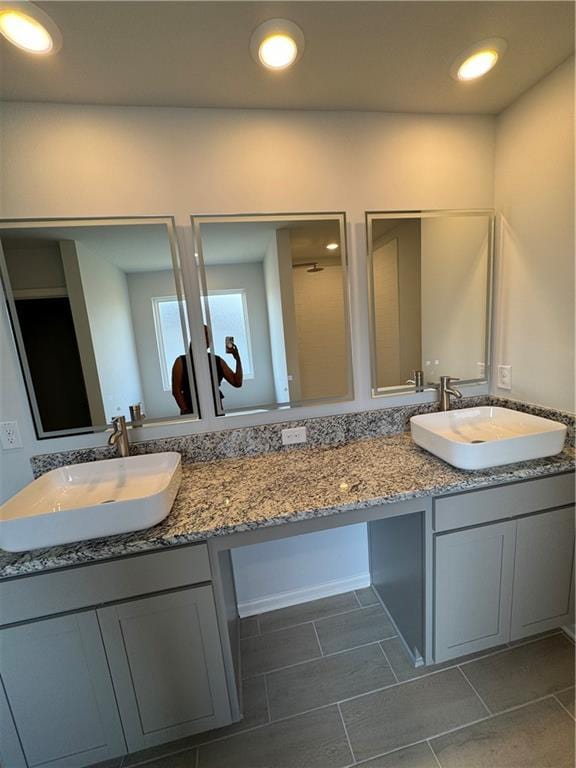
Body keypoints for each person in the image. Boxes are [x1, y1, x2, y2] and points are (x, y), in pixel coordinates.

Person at [171, 325, 243, 414]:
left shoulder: (217, 361)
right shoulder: (181, 362)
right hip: (192, 412)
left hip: (215, 412)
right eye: (204, 334)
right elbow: (176, 391)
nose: (207, 338)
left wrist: (237, 358)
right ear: (194, 337)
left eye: (208, 335)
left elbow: (237, 382)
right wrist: (187, 412)